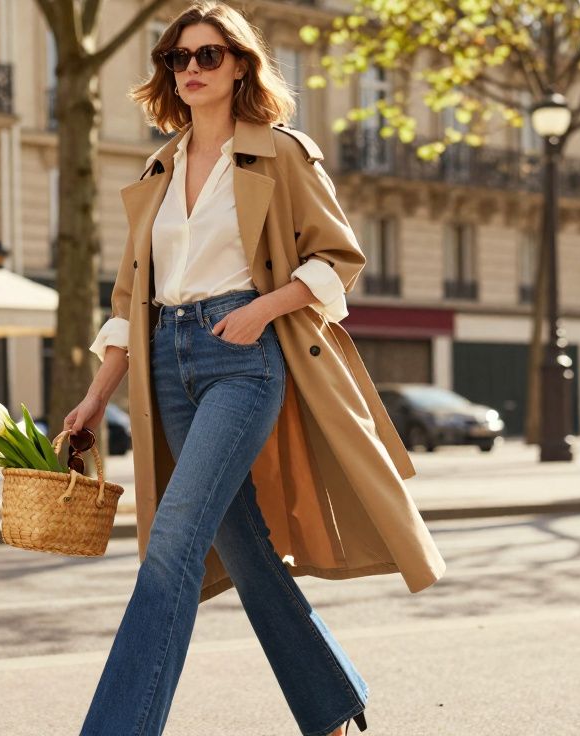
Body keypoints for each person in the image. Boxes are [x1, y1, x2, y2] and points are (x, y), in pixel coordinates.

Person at [58, 4, 446, 734]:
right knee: (244, 549)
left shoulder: (282, 152)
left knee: (173, 539)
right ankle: (331, 702)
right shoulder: (159, 167)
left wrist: (262, 310)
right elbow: (129, 301)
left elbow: (337, 259)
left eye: (208, 55)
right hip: (166, 363)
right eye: (178, 58)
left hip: (241, 360)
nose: (192, 69)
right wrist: (94, 396)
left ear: (240, 64)